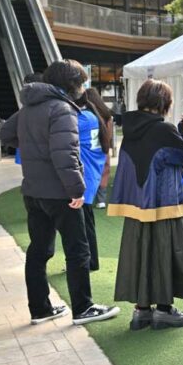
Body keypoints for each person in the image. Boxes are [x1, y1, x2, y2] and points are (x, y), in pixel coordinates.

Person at [0, 60, 119, 326]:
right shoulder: (62, 109)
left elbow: (5, 133)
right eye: (80, 81)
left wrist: (32, 146)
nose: (83, 87)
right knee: (78, 250)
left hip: (33, 191)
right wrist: (76, 189)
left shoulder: (30, 107)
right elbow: (65, 155)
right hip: (60, 193)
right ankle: (83, 308)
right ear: (71, 84)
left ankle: (40, 309)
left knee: (39, 250)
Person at [109, 79, 183, 330]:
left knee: (141, 253)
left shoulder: (129, 132)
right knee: (166, 252)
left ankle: (141, 311)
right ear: (165, 103)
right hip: (165, 204)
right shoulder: (164, 130)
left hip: (137, 208)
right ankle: (164, 309)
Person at [77, 88, 111, 272]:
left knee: (83, 226)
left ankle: (89, 261)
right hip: (91, 174)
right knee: (86, 223)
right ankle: (91, 261)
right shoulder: (97, 117)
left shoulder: (83, 118)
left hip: (84, 177)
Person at [81, 88, 115, 209]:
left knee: (88, 172)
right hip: (103, 147)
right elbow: (109, 135)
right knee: (104, 172)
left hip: (89, 148)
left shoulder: (86, 115)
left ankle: (88, 197)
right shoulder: (106, 114)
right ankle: (101, 200)